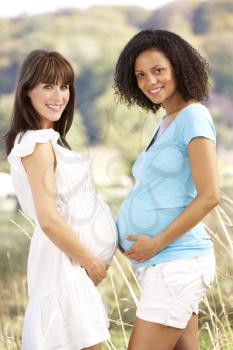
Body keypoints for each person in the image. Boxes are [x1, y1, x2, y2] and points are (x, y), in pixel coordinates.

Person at [5, 50, 118, 350]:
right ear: (27, 91)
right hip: (60, 264)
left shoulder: (47, 140)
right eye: (48, 86)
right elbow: (49, 219)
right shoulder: (37, 144)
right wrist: (91, 261)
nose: (59, 95)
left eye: (64, 86)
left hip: (68, 264)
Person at [114, 30, 219, 350]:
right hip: (161, 264)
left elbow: (209, 195)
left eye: (158, 70)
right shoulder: (167, 121)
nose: (149, 81)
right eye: (140, 75)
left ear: (179, 67)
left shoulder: (193, 116)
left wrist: (156, 242)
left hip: (177, 261)